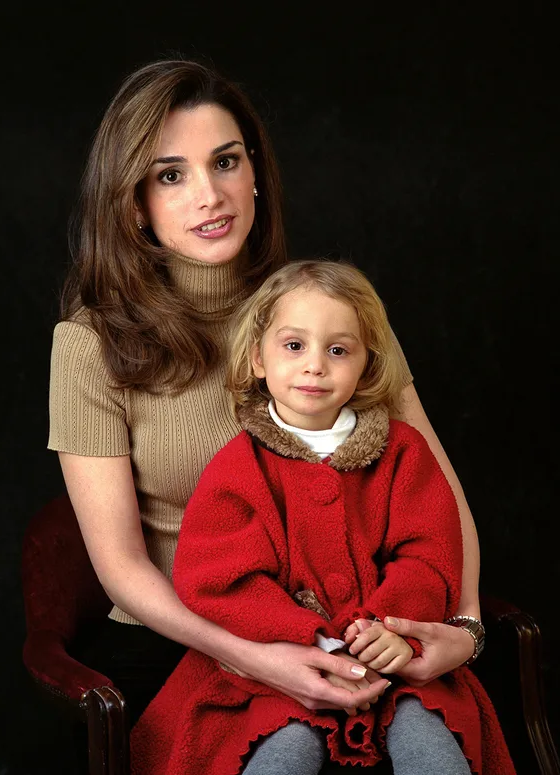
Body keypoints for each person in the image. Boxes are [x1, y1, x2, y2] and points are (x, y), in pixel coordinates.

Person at [48, 58, 482, 730]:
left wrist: (463, 626)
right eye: (171, 175)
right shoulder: (88, 344)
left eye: (225, 162)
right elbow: (123, 566)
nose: (208, 195)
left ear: (255, 174)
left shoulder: (331, 311)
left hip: (357, 631)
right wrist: (257, 655)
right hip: (187, 640)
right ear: (135, 203)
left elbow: (438, 489)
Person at [130, 260, 515, 775]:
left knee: (437, 752)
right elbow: (219, 578)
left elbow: (429, 553)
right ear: (257, 358)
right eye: (294, 346)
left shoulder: (403, 453)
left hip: (395, 660)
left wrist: (386, 629)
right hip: (277, 669)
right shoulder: (237, 468)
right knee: (280, 756)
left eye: (338, 350)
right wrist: (305, 634)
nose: (315, 366)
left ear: (366, 366)